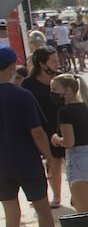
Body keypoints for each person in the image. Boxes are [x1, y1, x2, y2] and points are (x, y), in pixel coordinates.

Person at [0, 46, 76, 227]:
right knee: (43, 210)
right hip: (28, 162)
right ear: (11, 67)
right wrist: (50, 159)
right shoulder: (22, 96)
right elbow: (38, 133)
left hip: (2, 167)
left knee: (12, 216)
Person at [50, 74, 88, 213]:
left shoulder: (65, 112)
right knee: (84, 203)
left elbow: (69, 142)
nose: (52, 93)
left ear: (68, 90)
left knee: (87, 212)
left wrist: (56, 139)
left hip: (79, 160)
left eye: (55, 89)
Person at [21, 47, 64, 208]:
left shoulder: (61, 78)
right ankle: (46, 197)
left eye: (57, 60)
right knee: (49, 164)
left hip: (62, 127)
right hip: (40, 129)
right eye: (53, 61)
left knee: (60, 162)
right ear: (41, 64)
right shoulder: (28, 83)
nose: (57, 63)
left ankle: (59, 197)